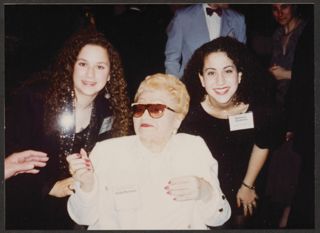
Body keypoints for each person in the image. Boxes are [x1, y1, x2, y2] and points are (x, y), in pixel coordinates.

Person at [66, 73, 231, 229]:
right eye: (139, 109)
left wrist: (205, 191)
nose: (145, 115)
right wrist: (87, 185)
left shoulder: (193, 148)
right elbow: (83, 218)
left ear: (178, 119)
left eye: (156, 109)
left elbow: (219, 218)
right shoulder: (107, 152)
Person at [5, 28, 131, 229]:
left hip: (75, 206)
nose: (90, 74)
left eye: (100, 67)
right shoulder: (36, 100)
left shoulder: (109, 110)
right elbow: (11, 157)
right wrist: (50, 187)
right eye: (83, 64)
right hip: (27, 202)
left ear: (109, 75)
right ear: (71, 67)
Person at [179, 37, 278, 228]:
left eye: (228, 71)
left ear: (240, 75)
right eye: (211, 73)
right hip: (205, 189)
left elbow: (263, 143)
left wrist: (248, 186)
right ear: (201, 79)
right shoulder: (188, 114)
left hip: (246, 180)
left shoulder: (257, 107)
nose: (220, 81)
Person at [264, 4, 308, 228]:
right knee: (280, 160)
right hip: (279, 102)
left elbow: (312, 72)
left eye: (284, 7)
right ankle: (281, 214)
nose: (279, 13)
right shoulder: (277, 34)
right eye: (274, 9)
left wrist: (286, 74)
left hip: (300, 103)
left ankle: (288, 218)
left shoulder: (307, 32)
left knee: (294, 161)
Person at [165, 3, 246, 79]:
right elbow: (172, 60)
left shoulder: (238, 19)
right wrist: (175, 87)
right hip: (192, 84)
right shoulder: (182, 17)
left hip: (225, 85)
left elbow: (241, 60)